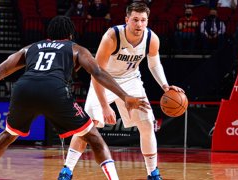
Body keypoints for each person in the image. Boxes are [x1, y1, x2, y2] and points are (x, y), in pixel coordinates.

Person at [0, 16, 150, 180]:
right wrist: (124, 96)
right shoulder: (76, 48)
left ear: (48, 35)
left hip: (24, 89)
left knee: (8, 134)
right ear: (70, 34)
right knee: (94, 137)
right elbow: (97, 72)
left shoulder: (30, 48)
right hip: (55, 90)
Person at [59, 2, 185, 180]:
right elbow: (96, 73)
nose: (139, 24)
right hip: (104, 79)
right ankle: (67, 170)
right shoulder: (112, 36)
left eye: (143, 20)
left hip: (131, 80)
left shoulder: (152, 38)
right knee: (88, 126)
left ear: (147, 21)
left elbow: (154, 63)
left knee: (147, 123)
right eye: (135, 20)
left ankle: (153, 173)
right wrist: (104, 106)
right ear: (127, 20)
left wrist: (165, 86)